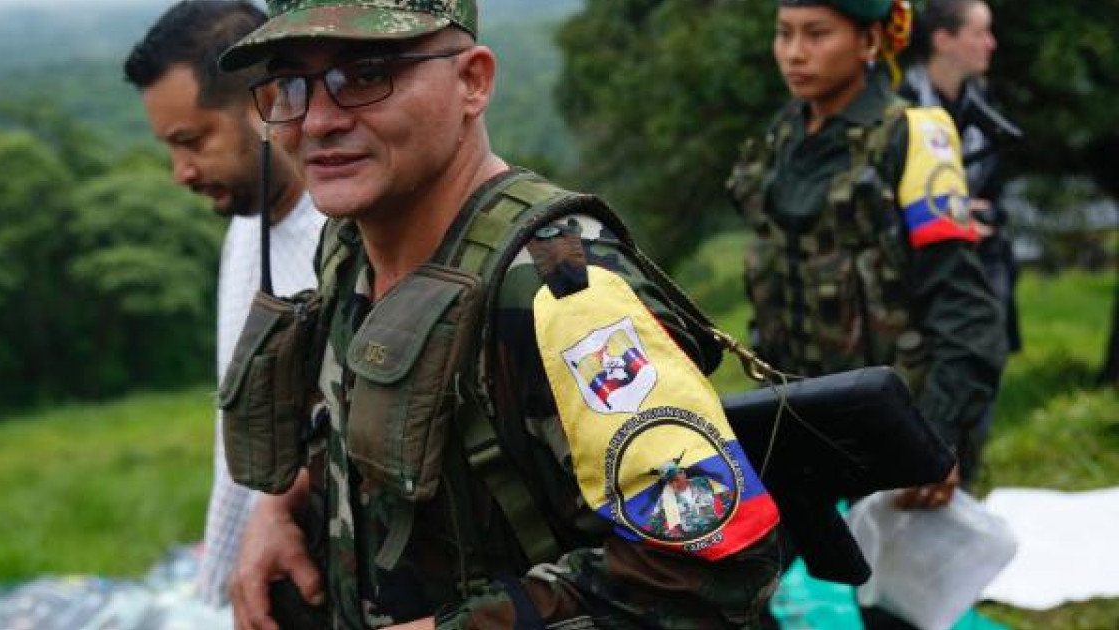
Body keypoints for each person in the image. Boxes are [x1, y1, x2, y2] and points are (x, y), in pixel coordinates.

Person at [218, 1, 783, 628]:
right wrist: (279, 511)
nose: (319, 121)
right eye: (291, 85)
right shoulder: (349, 248)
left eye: (366, 75)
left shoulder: (560, 292)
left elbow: (717, 563)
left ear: (473, 81)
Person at [727, 0, 1005, 627]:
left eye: (817, 34)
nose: (794, 52)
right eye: (784, 34)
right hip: (796, 415)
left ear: (871, 40)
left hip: (895, 419)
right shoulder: (781, 139)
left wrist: (934, 441)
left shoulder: (914, 137)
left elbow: (965, 311)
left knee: (896, 609)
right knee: (747, 587)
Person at [123, 0, 325, 606]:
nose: (180, 173)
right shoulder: (245, 226)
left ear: (267, 103)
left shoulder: (344, 235)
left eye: (192, 141)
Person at [900, 0, 1015, 481]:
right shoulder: (901, 109)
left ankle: (965, 478)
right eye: (979, 32)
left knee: (977, 385)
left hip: (983, 268)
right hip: (923, 280)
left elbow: (996, 193)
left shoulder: (982, 106)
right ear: (943, 39)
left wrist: (984, 216)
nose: (991, 43)